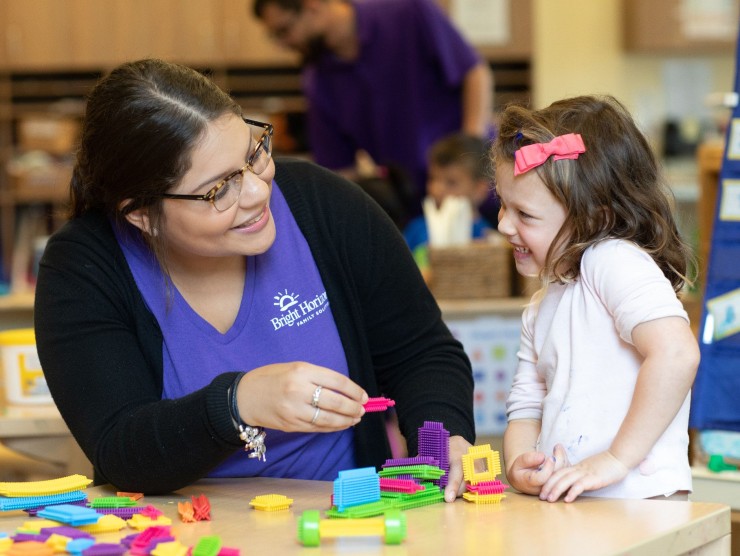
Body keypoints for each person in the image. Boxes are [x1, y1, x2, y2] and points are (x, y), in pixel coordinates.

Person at [33, 58, 475, 499]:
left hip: (349, 522)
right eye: (219, 189)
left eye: (254, 153)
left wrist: (444, 439)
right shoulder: (83, 267)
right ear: (143, 215)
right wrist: (239, 403)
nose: (259, 191)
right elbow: (122, 449)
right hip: (180, 535)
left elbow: (422, 354)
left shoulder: (324, 206)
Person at [494, 95, 700, 501]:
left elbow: (677, 356)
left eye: (525, 215)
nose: (503, 225)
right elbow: (527, 404)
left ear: (595, 218)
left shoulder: (613, 260)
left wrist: (617, 459)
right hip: (581, 507)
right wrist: (519, 463)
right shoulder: (543, 302)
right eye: (503, 205)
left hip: (642, 501)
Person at [251, 0, 494, 211]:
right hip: (414, 207)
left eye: (284, 30)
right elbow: (339, 171)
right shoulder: (318, 81)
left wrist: (470, 155)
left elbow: (474, 74)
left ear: (311, 4)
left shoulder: (407, 12)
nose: (284, 44)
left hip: (479, 188)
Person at [403, 133, 495, 256]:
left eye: (451, 183)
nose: (436, 190)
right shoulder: (415, 230)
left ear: (479, 189)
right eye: (432, 178)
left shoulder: (487, 239)